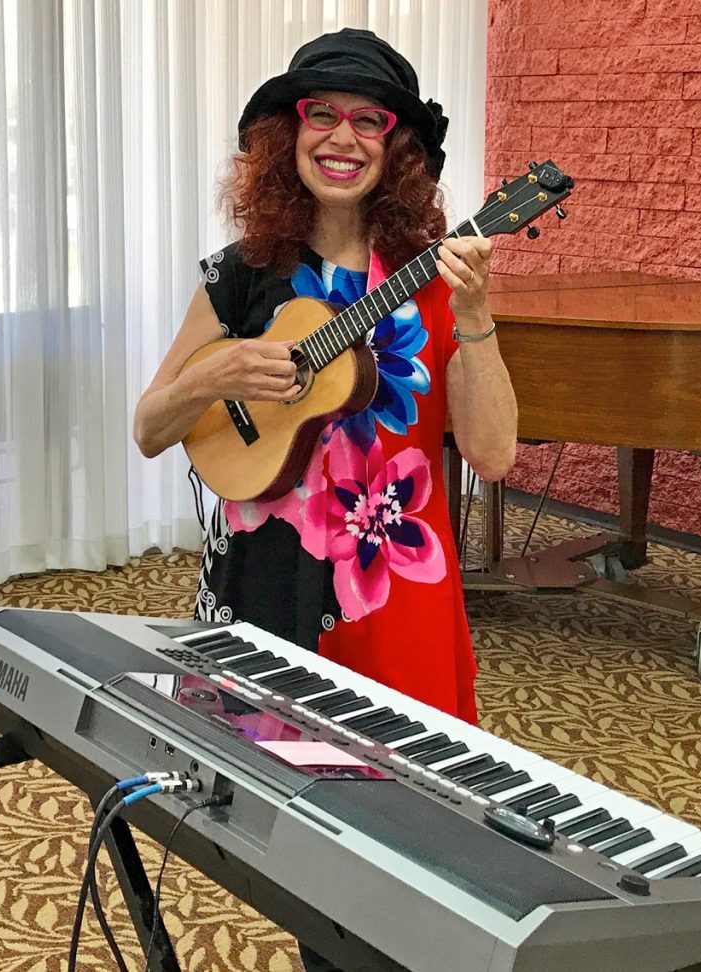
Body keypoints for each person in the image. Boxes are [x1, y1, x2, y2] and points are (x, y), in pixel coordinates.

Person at [133, 27, 517, 972]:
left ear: (397, 149)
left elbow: (497, 452)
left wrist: (473, 323)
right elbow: (149, 426)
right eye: (321, 114)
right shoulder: (239, 280)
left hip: (396, 592)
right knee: (302, 835)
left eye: (368, 120)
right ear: (287, 135)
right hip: (269, 587)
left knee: (415, 827)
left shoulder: (434, 280)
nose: (342, 135)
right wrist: (214, 371)